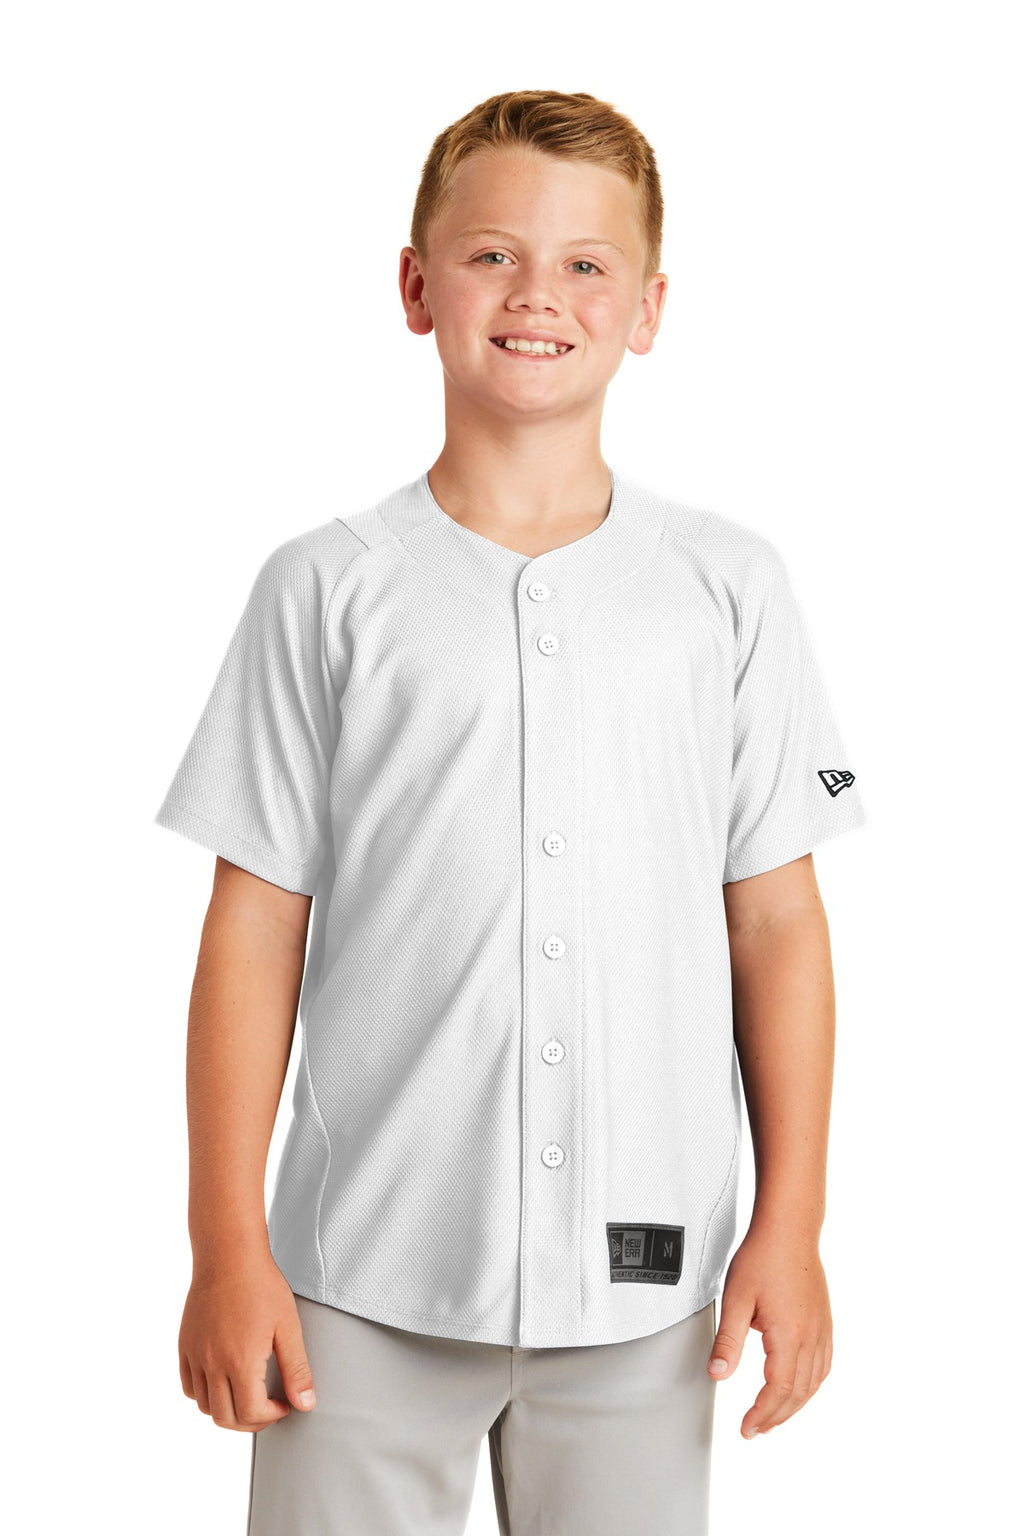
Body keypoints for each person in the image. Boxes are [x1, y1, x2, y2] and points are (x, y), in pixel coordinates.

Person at [154, 89, 868, 1536]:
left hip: (645, 1282)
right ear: (416, 287)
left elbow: (778, 924)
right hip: (357, 1276)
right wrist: (226, 1247)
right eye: (492, 255)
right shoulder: (327, 588)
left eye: (586, 264)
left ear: (648, 308)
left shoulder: (727, 589)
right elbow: (252, 932)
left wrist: (791, 1223)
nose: (538, 295)